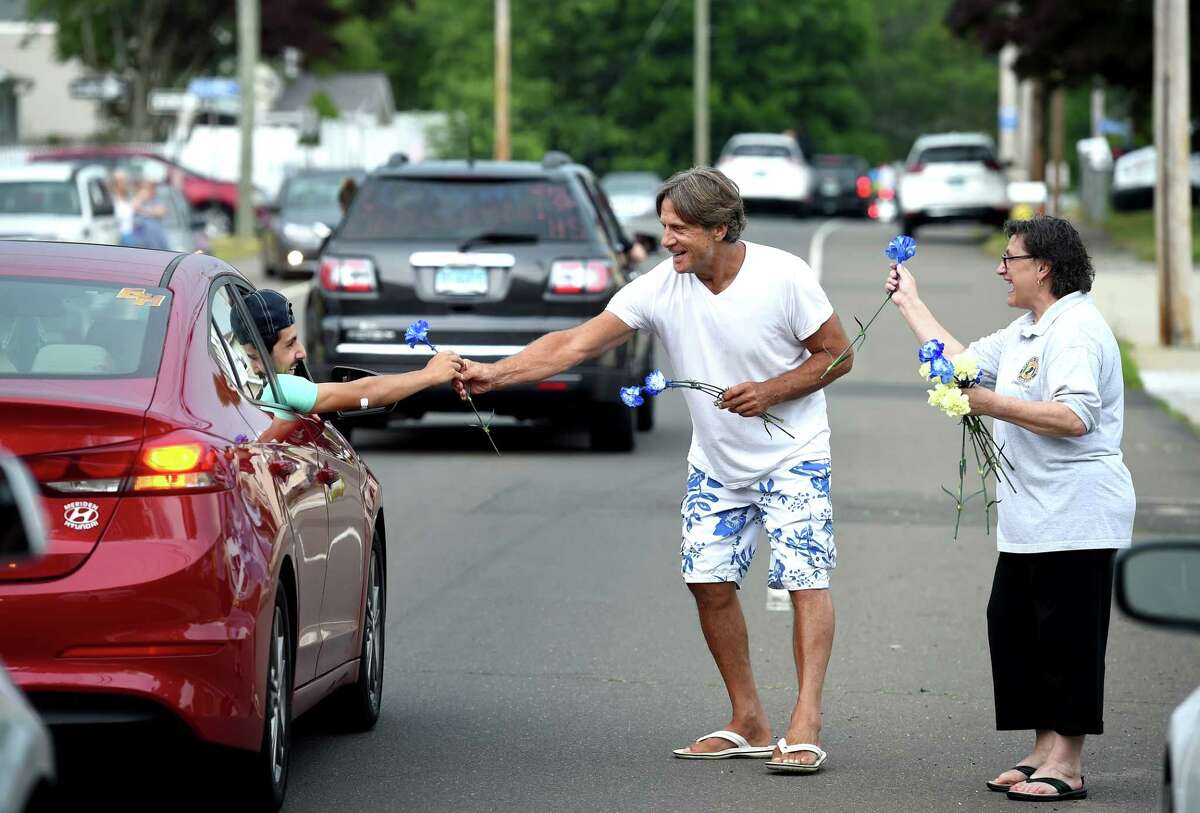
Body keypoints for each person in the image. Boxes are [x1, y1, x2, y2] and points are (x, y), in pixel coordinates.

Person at [458, 167, 854, 772]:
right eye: (665, 226)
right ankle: (747, 718)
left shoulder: (783, 276)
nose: (666, 240)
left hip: (793, 452)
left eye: (680, 229)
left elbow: (837, 354)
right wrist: (497, 373)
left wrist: (774, 390)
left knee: (803, 577)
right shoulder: (661, 286)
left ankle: (806, 719)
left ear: (720, 228)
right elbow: (575, 344)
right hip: (717, 461)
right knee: (707, 580)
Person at [884, 215, 1135, 802]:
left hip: (1077, 512)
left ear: (1042, 268)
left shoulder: (1074, 331)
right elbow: (964, 362)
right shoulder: (1029, 329)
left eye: (1010, 258)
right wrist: (910, 304)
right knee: (1018, 630)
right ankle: (1043, 747)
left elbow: (1076, 417)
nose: (1001, 267)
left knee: (1068, 638)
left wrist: (988, 403)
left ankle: (1067, 764)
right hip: (1030, 515)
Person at [229, 289, 462, 417]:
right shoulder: (282, 388)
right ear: (256, 354)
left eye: (296, 340)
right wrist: (429, 375)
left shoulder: (246, 394)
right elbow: (366, 391)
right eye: (290, 345)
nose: (301, 352)